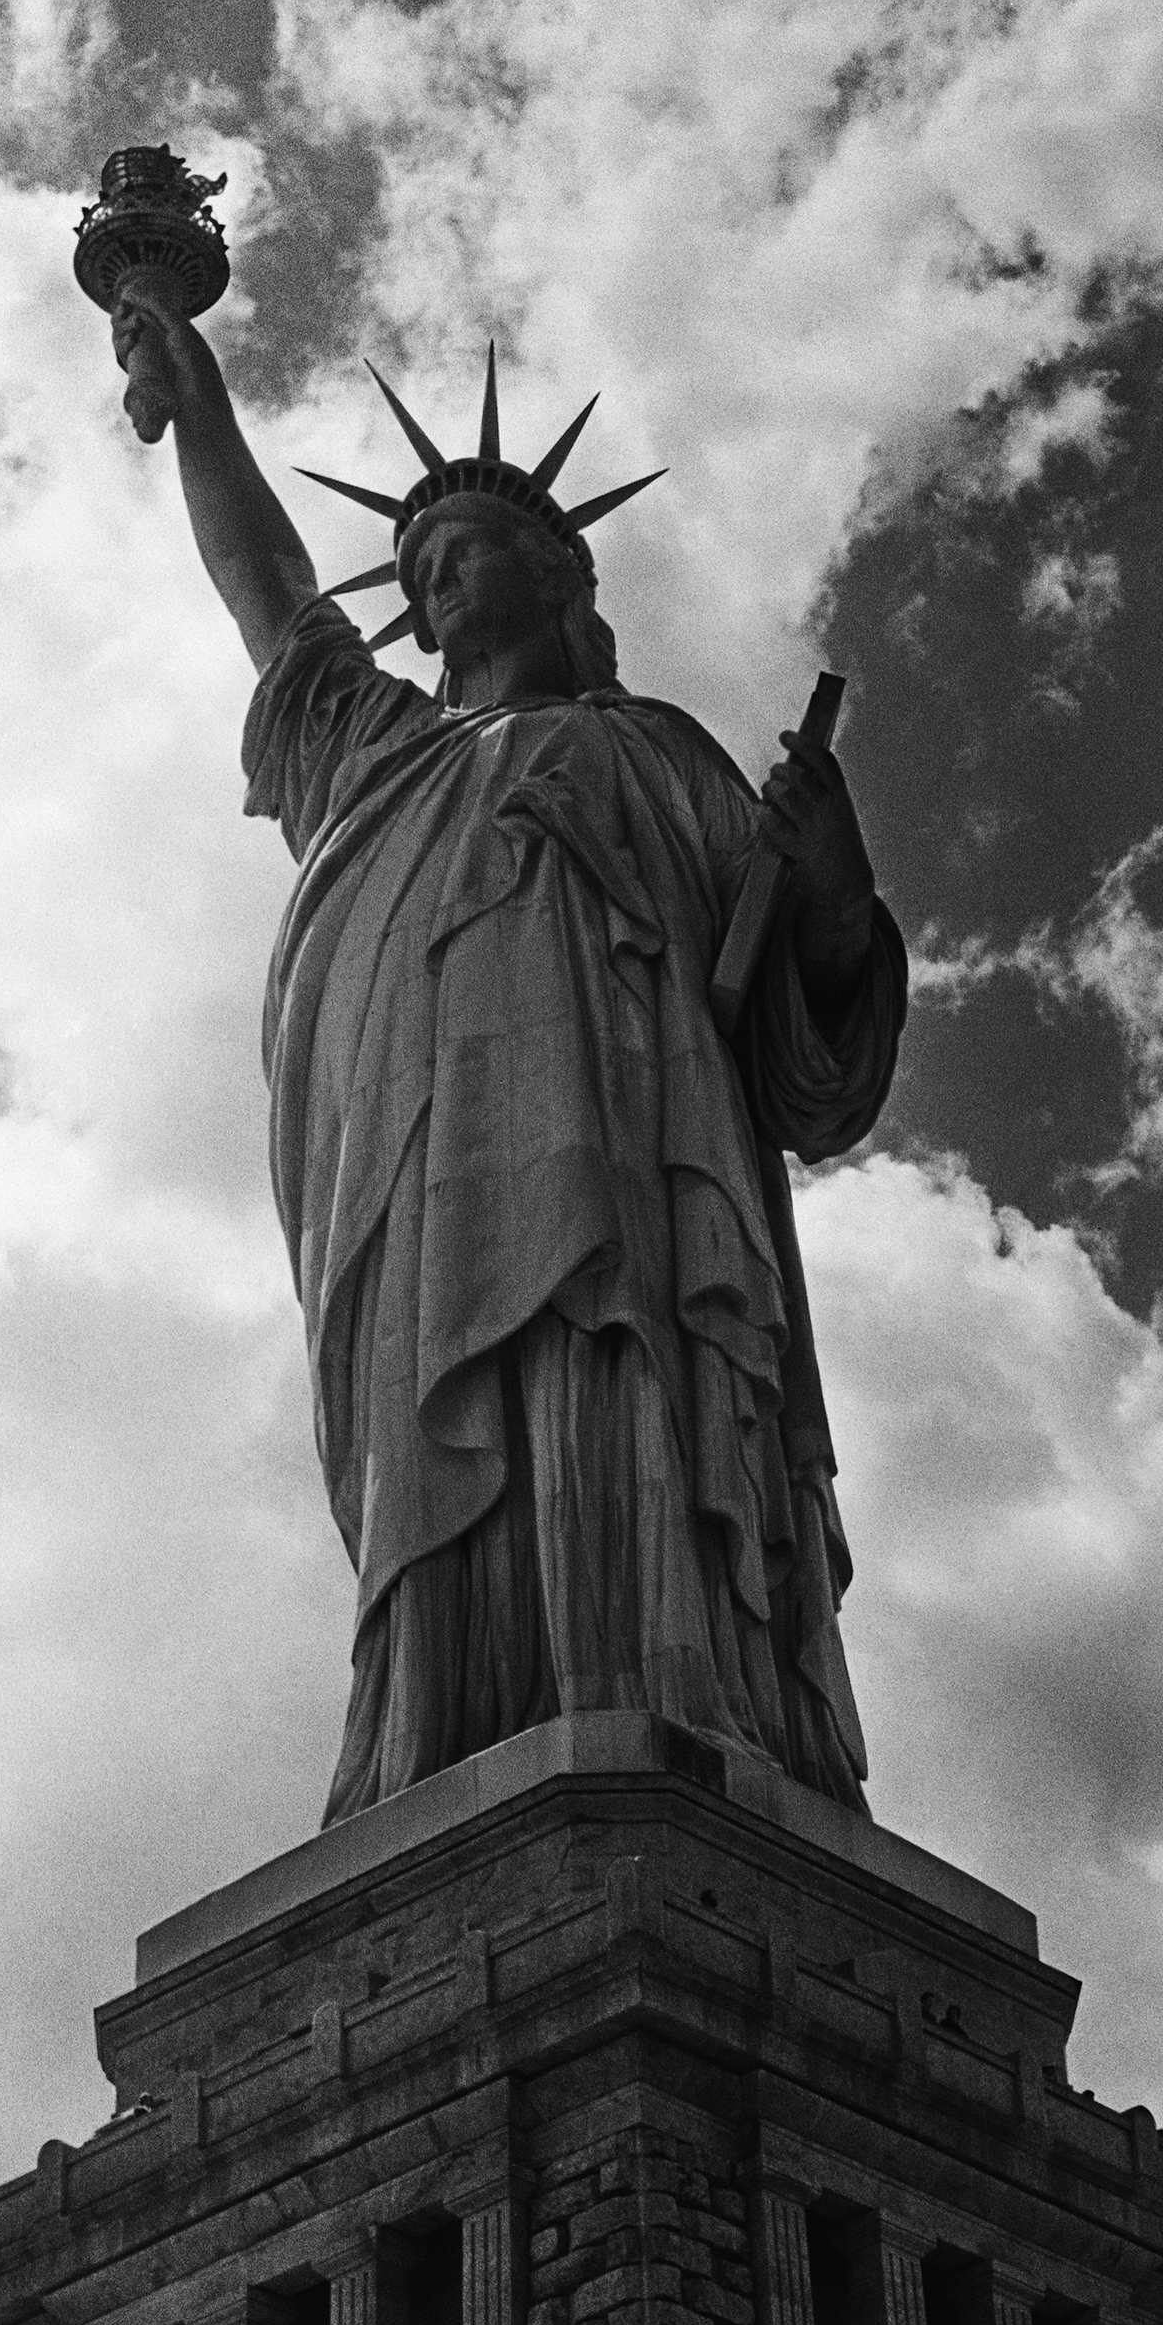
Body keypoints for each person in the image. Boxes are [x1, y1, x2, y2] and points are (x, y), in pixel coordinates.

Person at [113, 287, 905, 1822]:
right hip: (418, 1193)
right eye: (410, 571)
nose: (428, 589)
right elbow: (270, 592)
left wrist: (832, 878)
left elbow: (805, 1062)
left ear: (560, 575)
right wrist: (202, 412)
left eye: (458, 554)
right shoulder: (371, 752)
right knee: (445, 1449)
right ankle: (443, 1721)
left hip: (637, 1189)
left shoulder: (656, 754)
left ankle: (666, 1683)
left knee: (614, 1396)